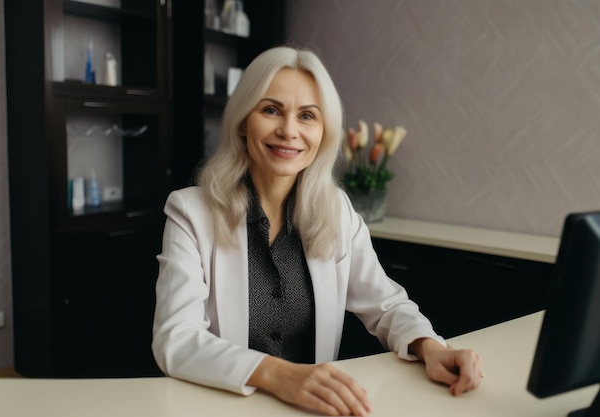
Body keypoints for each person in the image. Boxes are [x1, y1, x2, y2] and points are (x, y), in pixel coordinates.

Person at [151, 45, 482, 417]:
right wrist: (279, 375)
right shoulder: (190, 211)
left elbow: (386, 304)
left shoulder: (337, 210)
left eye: (307, 115)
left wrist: (430, 346)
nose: (289, 130)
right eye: (271, 109)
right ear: (243, 121)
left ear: (323, 132)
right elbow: (176, 340)